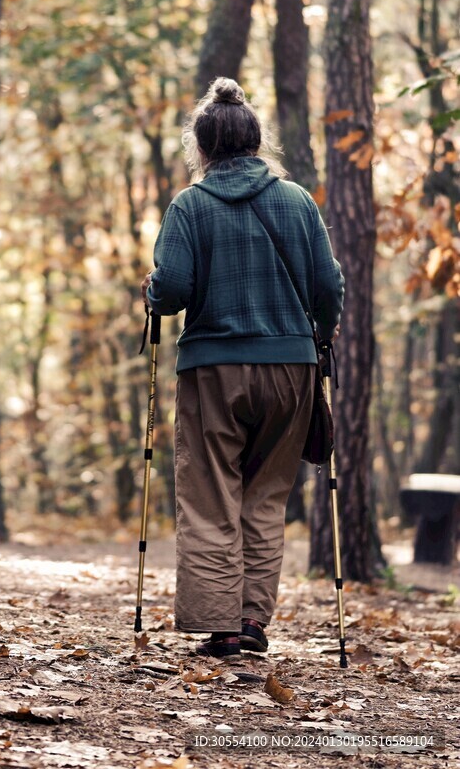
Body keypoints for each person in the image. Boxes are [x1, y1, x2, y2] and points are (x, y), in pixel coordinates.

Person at [141, 78, 344, 658]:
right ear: (257, 142)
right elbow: (328, 285)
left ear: (200, 147)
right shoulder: (298, 200)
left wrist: (153, 293)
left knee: (210, 494)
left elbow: (173, 289)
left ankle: (220, 623)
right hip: (291, 369)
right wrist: (322, 333)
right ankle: (253, 621)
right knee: (265, 496)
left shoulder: (190, 205)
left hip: (214, 368)